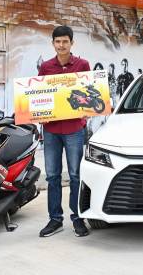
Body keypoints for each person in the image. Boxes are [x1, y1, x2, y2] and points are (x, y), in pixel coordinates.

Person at [37, 26, 90, 238]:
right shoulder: (46, 67)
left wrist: (87, 112)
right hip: (51, 129)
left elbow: (90, 93)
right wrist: (38, 113)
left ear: (71, 43)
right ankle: (55, 219)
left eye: (65, 41)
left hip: (74, 129)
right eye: (57, 42)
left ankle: (77, 218)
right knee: (52, 176)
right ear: (53, 44)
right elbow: (38, 94)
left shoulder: (82, 65)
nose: (61, 45)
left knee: (76, 175)